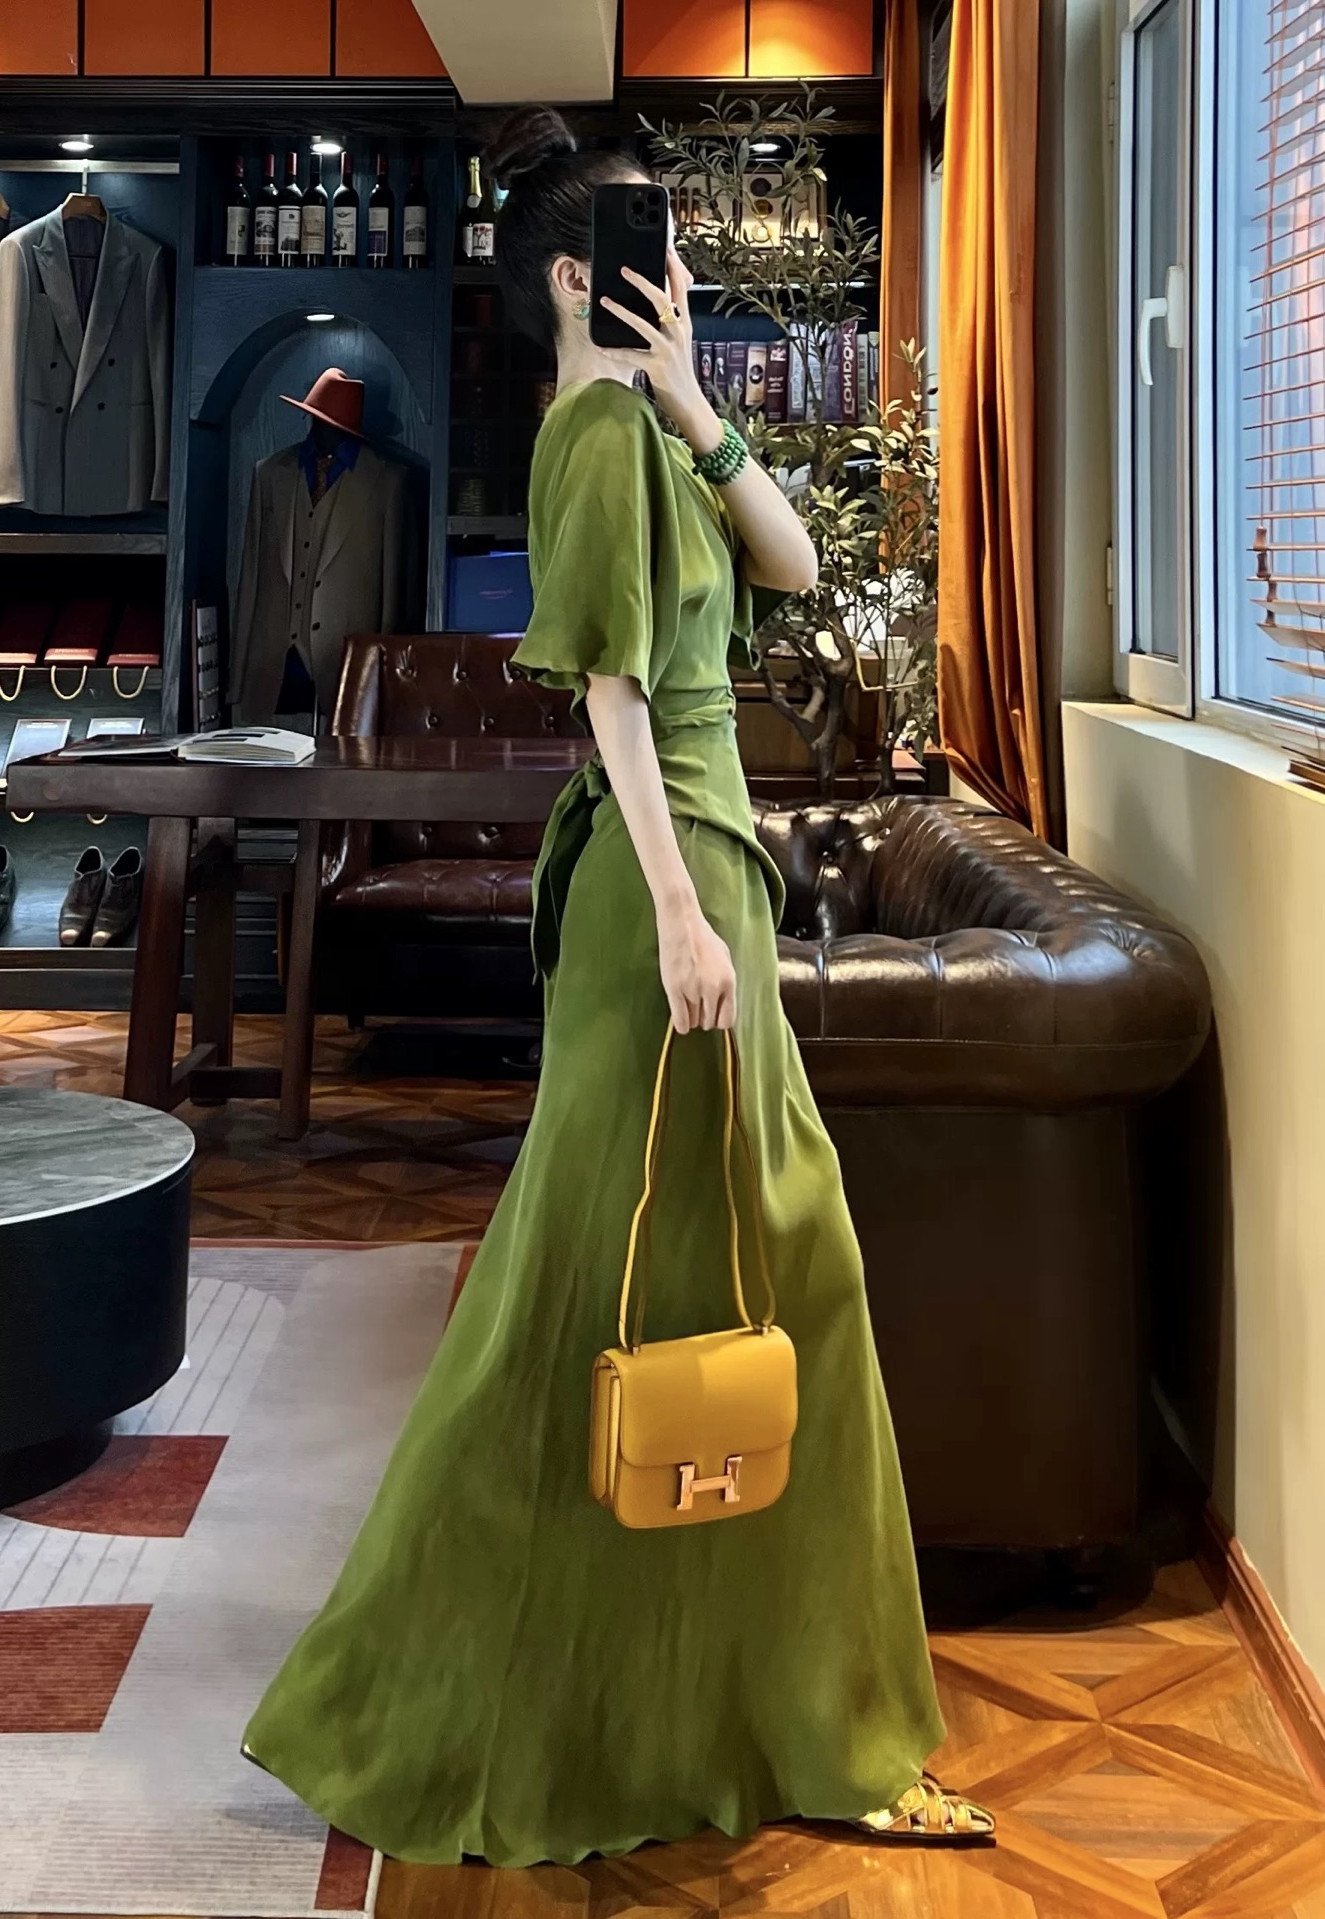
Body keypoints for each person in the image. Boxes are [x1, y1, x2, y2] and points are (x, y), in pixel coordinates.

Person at [240, 105, 995, 1867]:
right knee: (695, 1283)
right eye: (651, 249)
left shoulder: (647, 429)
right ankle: (736, 1719)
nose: (681, 273)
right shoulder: (588, 441)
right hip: (673, 894)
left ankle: (722, 1711)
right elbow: (615, 696)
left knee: (647, 1287)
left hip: (699, 872)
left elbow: (796, 567)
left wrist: (700, 399)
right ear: (580, 279)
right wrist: (674, 911)